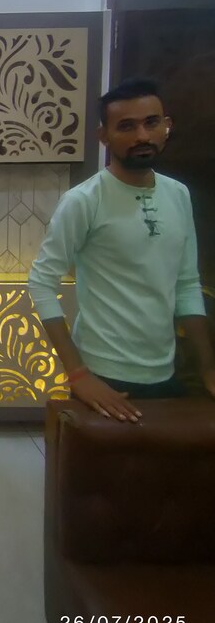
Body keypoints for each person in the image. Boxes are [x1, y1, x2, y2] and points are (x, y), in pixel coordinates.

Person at [28, 77, 215, 421]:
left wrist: (207, 369)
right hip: (103, 374)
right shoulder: (84, 200)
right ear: (105, 136)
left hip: (168, 370)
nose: (142, 136)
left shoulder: (178, 194)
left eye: (151, 123)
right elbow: (41, 282)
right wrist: (78, 375)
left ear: (166, 126)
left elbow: (187, 284)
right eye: (127, 126)